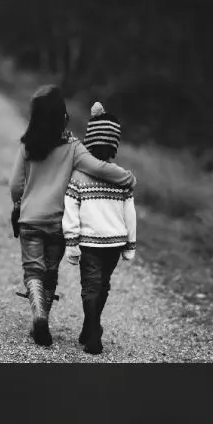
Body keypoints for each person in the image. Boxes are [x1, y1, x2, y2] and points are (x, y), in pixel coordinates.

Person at [9, 86, 136, 348]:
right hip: (57, 222)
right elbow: (99, 168)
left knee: (33, 269)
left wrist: (19, 203)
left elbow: (15, 185)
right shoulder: (73, 147)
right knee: (50, 272)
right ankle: (43, 315)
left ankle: (39, 315)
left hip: (30, 220)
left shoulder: (27, 146)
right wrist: (127, 178)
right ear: (62, 117)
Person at [62, 102, 136, 355]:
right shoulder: (121, 177)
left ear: (88, 142)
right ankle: (91, 327)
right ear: (114, 144)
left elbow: (70, 210)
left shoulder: (78, 176)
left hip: (89, 243)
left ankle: (92, 329)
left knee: (91, 286)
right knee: (103, 285)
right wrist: (130, 244)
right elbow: (130, 214)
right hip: (114, 243)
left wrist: (71, 243)